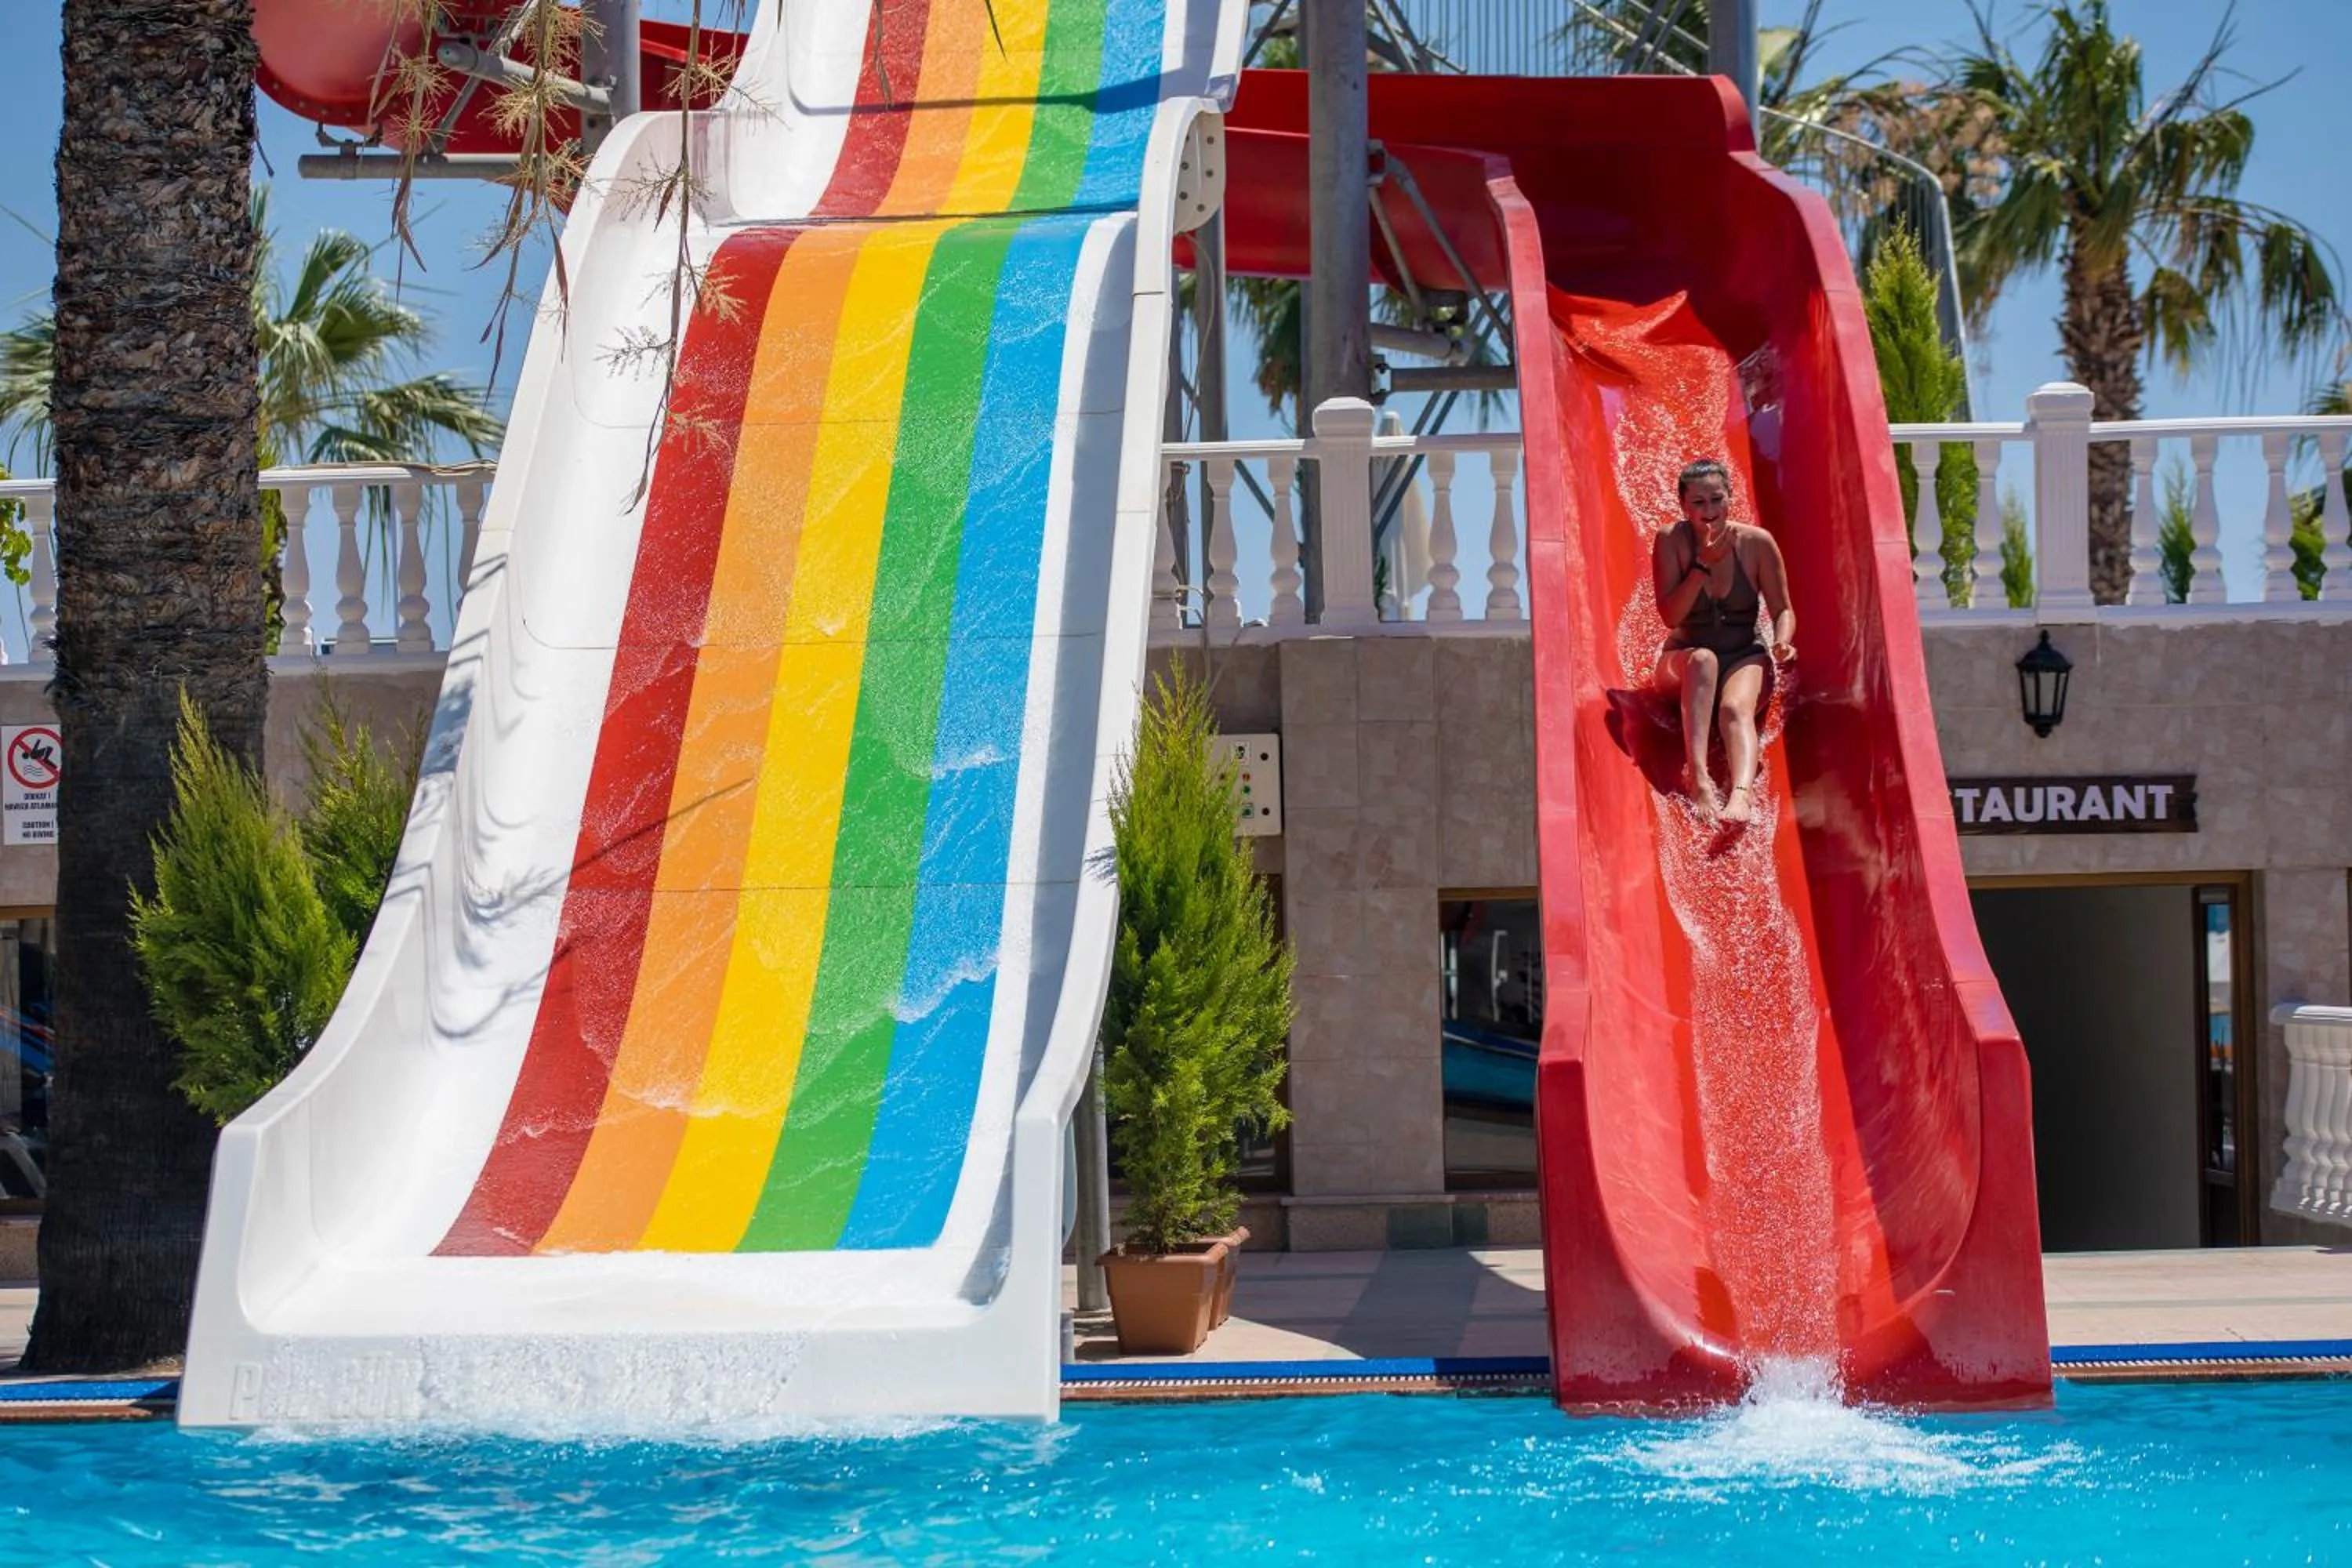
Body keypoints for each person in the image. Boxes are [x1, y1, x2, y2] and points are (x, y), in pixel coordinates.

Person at [1650, 458, 1795, 825]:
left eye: (1717, 499)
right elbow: (1671, 616)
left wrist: (1783, 641)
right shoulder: (1671, 541)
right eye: (1698, 502)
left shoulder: (1757, 544)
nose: (1709, 511)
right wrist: (1702, 567)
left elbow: (1782, 610)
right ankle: (1699, 779)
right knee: (1703, 661)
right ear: (1683, 506)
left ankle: (1741, 795)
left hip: (1744, 654)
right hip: (1683, 661)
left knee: (1733, 709)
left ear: (1731, 498)